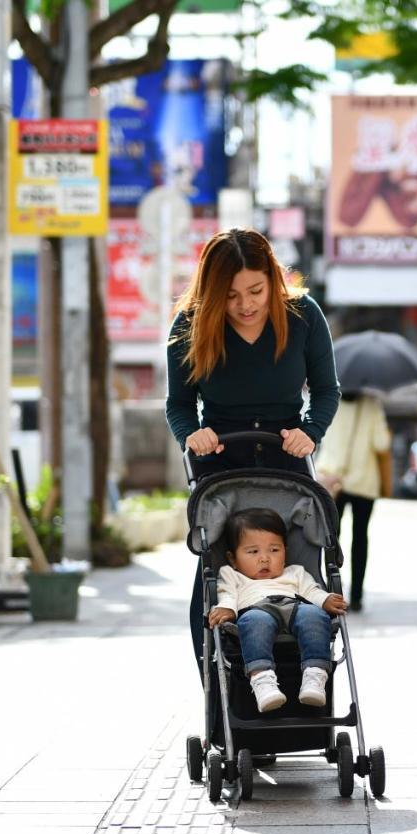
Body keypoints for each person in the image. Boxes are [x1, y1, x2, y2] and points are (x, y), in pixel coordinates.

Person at [166, 227, 340, 676]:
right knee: (214, 578)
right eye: (231, 296)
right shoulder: (190, 323)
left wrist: (311, 430)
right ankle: (217, 691)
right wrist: (192, 434)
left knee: (297, 566)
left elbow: (325, 390)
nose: (245, 305)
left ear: (273, 279)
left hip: (287, 457)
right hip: (221, 461)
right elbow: (179, 405)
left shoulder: (303, 315)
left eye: (256, 291)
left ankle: (305, 678)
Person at [206, 508, 348, 711]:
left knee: (315, 615)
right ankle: (262, 680)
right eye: (253, 552)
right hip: (255, 610)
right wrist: (227, 609)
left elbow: (311, 591)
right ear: (233, 558)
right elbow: (226, 594)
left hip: (295, 607)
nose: (264, 558)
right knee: (255, 622)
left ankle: (315, 675)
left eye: (274, 550)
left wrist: (325, 600)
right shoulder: (231, 575)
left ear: (285, 551)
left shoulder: (295, 572)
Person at [314, 392, 392, 612]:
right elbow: (381, 442)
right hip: (364, 482)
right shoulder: (372, 405)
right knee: (360, 537)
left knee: (331, 538)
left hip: (331, 479)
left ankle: (330, 590)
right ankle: (356, 595)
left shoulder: (330, 402)